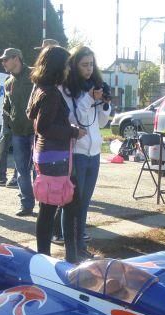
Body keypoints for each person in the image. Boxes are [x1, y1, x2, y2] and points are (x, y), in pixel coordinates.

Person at [26, 45, 87, 263]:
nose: (68, 70)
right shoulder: (50, 93)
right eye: (66, 66)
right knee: (69, 205)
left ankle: (47, 258)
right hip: (55, 158)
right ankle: (70, 259)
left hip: (47, 157)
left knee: (50, 207)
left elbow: (31, 116)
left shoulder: (39, 88)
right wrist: (74, 131)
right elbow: (44, 127)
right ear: (56, 67)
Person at [61, 46, 112, 260]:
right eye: (84, 64)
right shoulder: (67, 90)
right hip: (77, 152)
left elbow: (100, 123)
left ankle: (80, 245)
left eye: (91, 64)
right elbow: (77, 122)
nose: (89, 69)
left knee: (85, 202)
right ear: (74, 65)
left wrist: (105, 104)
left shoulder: (94, 87)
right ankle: (72, 249)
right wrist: (89, 99)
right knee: (73, 203)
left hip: (94, 153)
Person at [0, 48, 35, 216]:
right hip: (18, 133)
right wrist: (8, 124)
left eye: (6, 60)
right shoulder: (8, 82)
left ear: (16, 59)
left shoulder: (35, 75)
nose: (3, 63)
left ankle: (45, 204)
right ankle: (26, 205)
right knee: (21, 170)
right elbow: (6, 106)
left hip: (36, 132)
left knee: (39, 170)